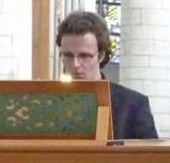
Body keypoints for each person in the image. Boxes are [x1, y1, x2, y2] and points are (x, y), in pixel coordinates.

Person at [55, 11, 159, 140]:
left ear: (101, 56)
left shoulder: (133, 104)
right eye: (68, 56)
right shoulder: (47, 100)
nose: (75, 64)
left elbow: (151, 157)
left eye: (84, 56)